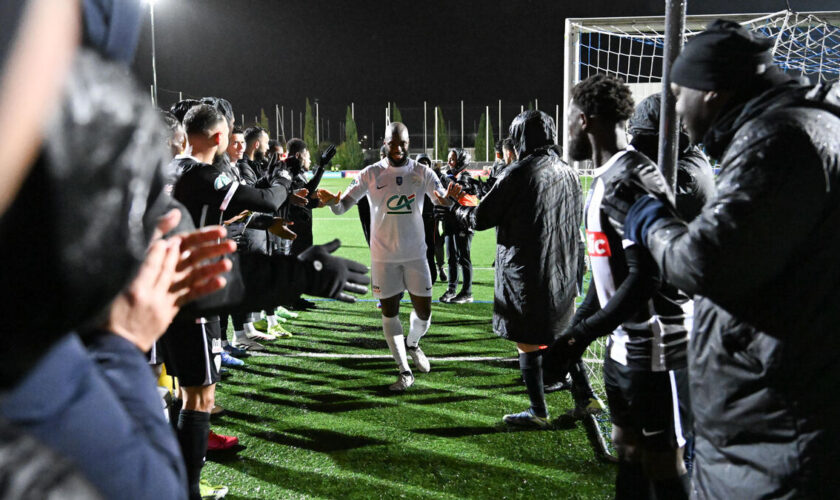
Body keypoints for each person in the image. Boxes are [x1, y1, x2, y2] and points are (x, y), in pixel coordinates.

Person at [603, 19, 840, 499]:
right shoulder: (803, 125)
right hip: (774, 419)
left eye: (677, 95)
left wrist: (644, 215)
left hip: (778, 434)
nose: (677, 112)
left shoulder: (781, 139)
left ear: (709, 92)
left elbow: (705, 262)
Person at [556, 74, 693, 499]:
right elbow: (609, 276)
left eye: (569, 122)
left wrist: (580, 334)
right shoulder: (607, 175)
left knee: (662, 462)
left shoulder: (631, 178)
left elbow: (645, 276)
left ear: (584, 120)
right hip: (621, 345)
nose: (568, 131)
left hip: (654, 346)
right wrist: (578, 331)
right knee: (627, 447)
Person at [435, 110, 582, 427]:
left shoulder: (519, 173)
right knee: (561, 334)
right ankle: (586, 398)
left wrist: (458, 204)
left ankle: (538, 412)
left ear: (520, 138)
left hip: (528, 269)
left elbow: (479, 218)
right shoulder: (567, 171)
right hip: (563, 268)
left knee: (527, 340)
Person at [320, 122, 461, 391]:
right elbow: (342, 207)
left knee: (424, 311)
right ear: (383, 142)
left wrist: (450, 200)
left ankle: (413, 343)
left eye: (403, 143)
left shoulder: (423, 172)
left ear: (410, 143)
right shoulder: (370, 174)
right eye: (392, 143)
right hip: (384, 257)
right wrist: (330, 201)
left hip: (416, 255)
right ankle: (404, 371)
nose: (397, 148)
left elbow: (442, 201)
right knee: (389, 311)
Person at [438, 149, 481, 304]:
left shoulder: (466, 177)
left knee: (464, 258)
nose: (449, 162)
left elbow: (457, 188)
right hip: (450, 222)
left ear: (461, 160)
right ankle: (451, 289)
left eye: (453, 159)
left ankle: (467, 292)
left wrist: (440, 176)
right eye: (449, 159)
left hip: (463, 223)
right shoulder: (451, 175)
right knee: (451, 258)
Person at [416, 153, 446, 283]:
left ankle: (438, 270)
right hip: (415, 220)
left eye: (426, 162)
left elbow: (443, 193)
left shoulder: (434, 178)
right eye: (421, 162)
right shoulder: (411, 180)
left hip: (431, 218)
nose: (424, 165)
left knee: (433, 245)